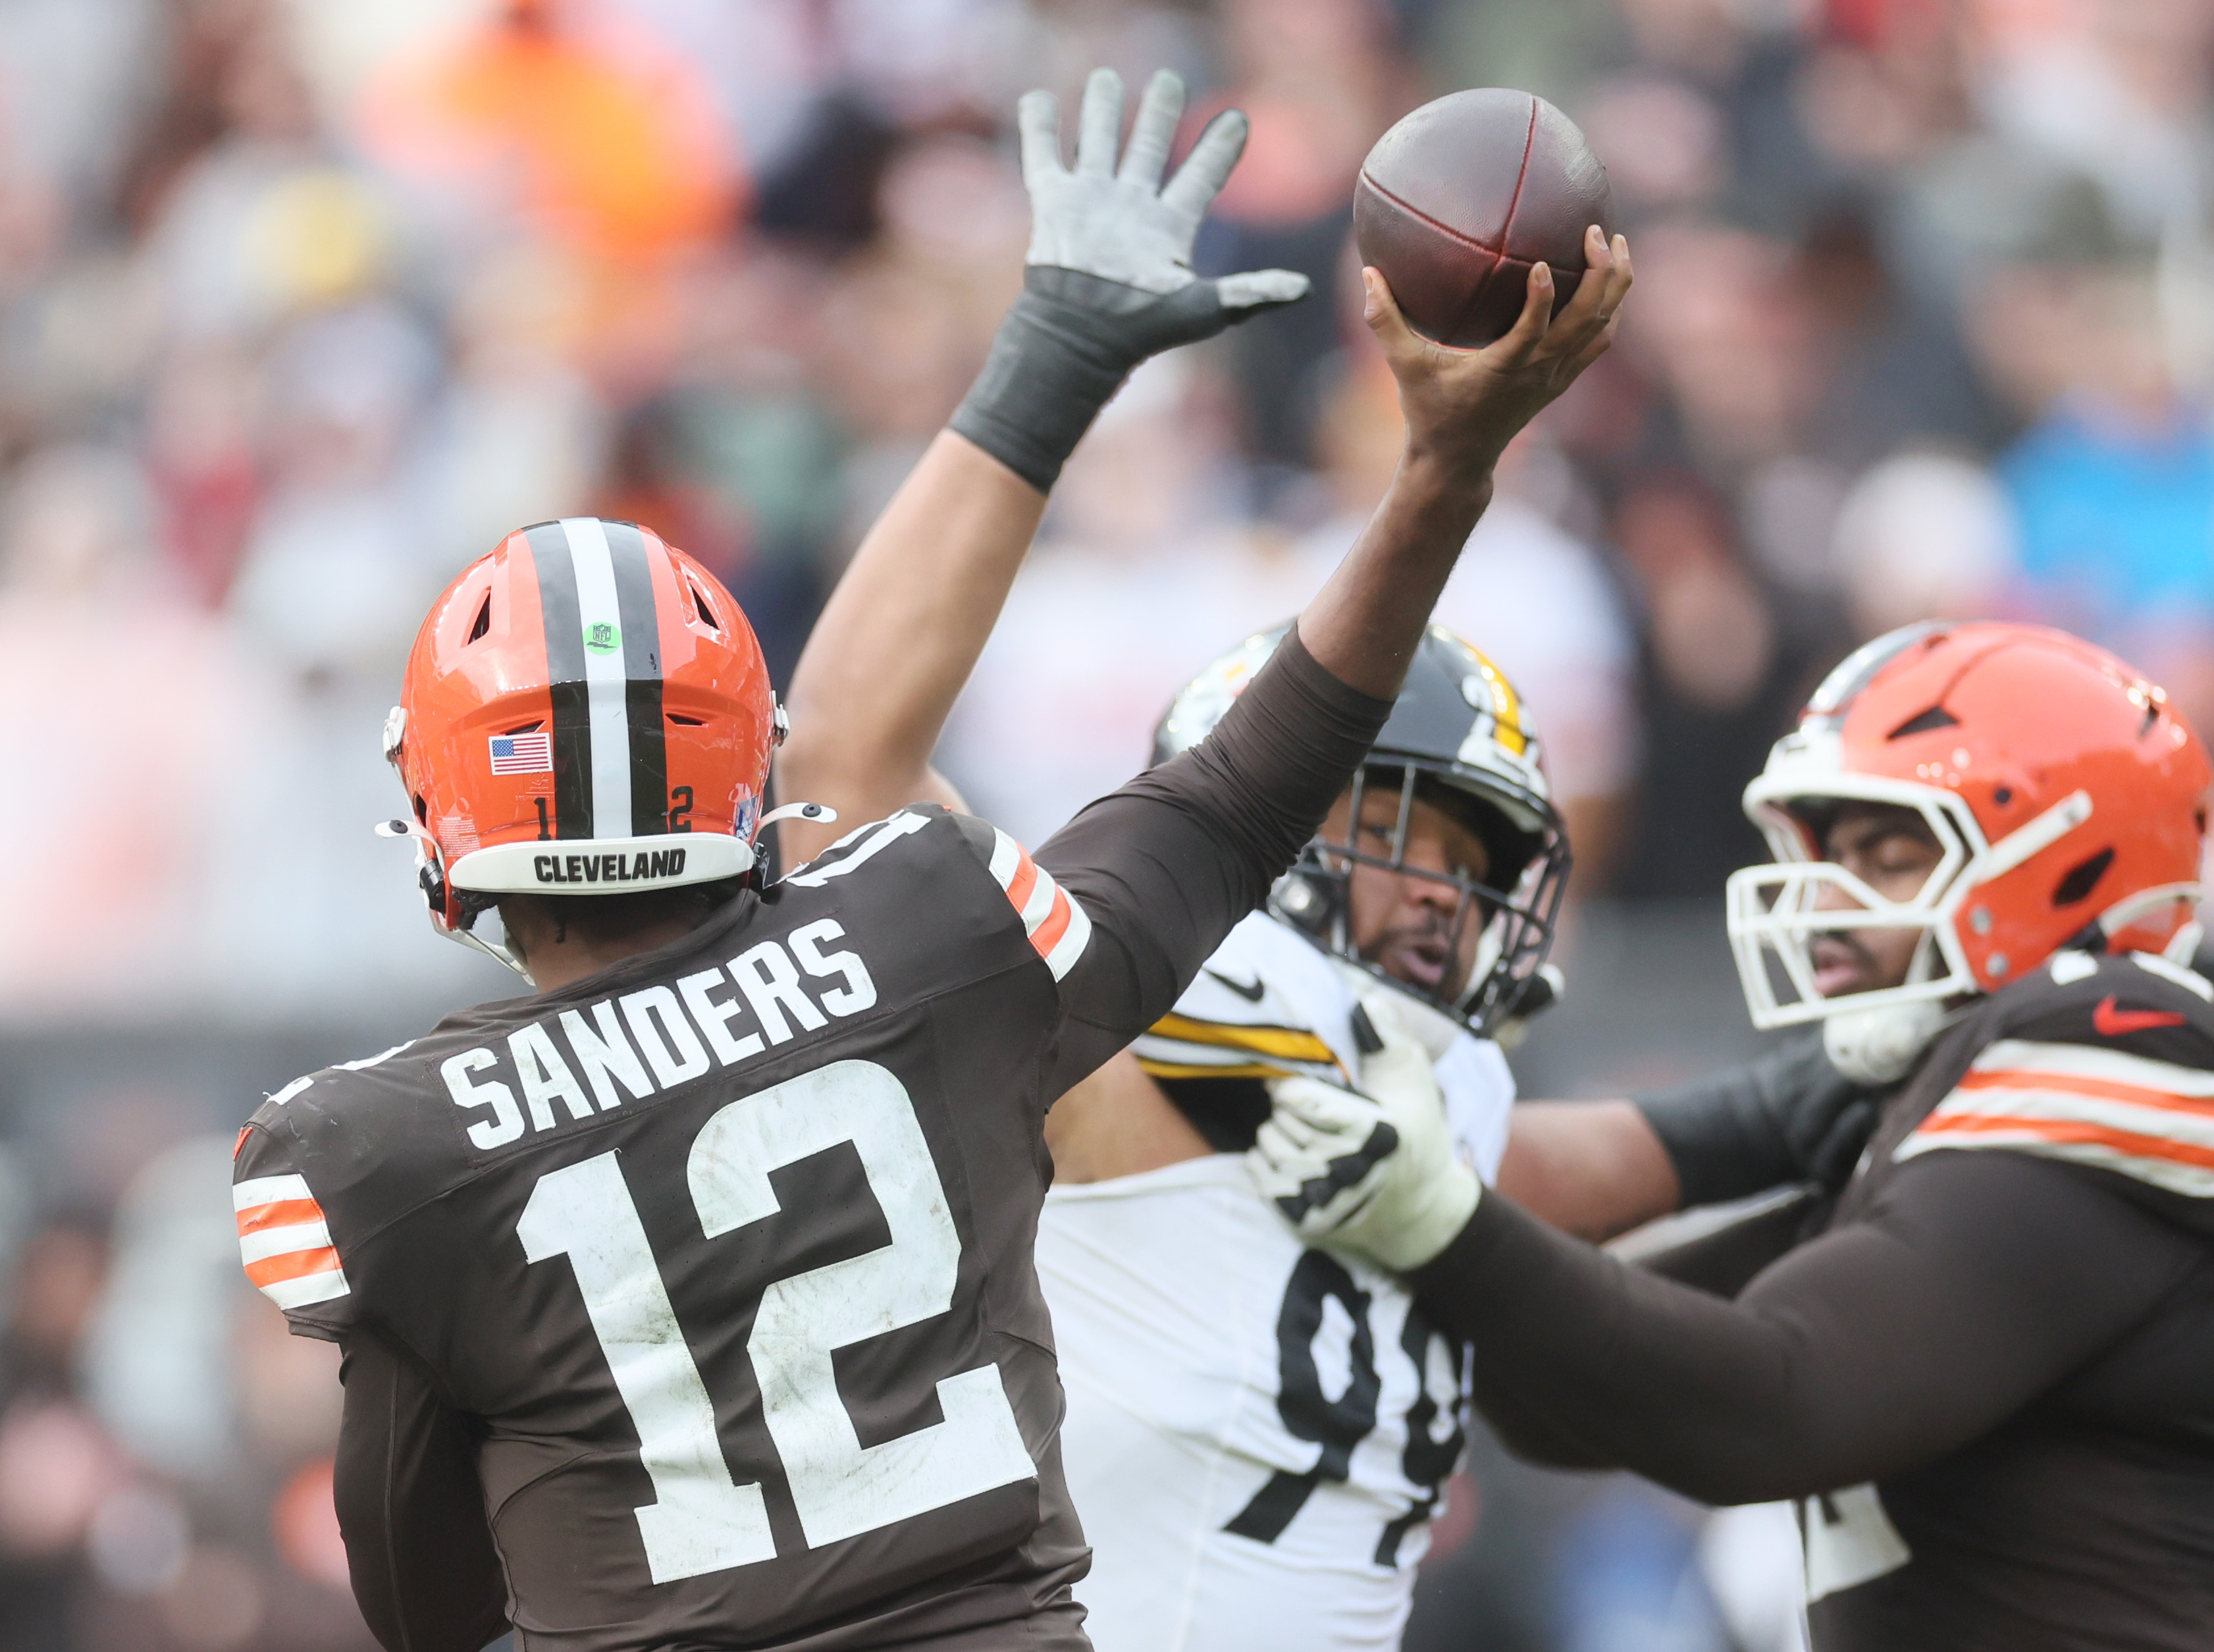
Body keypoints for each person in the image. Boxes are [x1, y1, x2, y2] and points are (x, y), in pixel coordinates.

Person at [226, 67, 1628, 1652]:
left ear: (442, 820)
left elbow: (425, 1603)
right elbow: (1239, 799)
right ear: (744, 769)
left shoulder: (379, 1148)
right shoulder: (925, 931)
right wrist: (1444, 470)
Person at [772, 127, 1895, 1652]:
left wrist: (1848, 1086)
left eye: (1474, 861)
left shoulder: (1426, 1099)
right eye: (1401, 835)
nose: (1441, 896)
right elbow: (840, 763)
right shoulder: (1124, 1052)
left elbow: (1541, 1166)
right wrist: (1045, 367)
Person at [1253, 619, 2214, 1650]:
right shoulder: (1927, 1100)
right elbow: (1571, 1397)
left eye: (1886, 855)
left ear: (2069, 857)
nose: (1825, 900)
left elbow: (1775, 1400)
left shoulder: (2135, 1034)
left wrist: (1445, 1228)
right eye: (1818, 854)